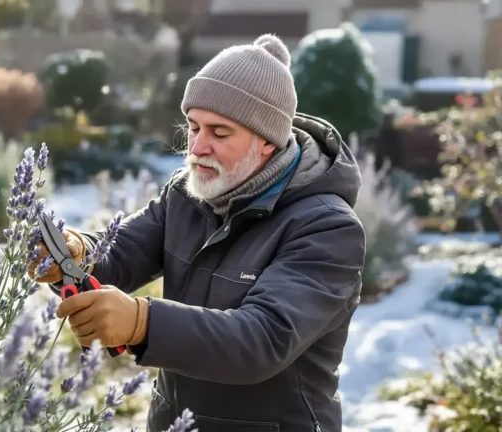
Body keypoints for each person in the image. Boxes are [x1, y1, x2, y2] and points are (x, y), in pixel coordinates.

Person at [28, 33, 365, 432]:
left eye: (220, 133)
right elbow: (120, 254)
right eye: (193, 127)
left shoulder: (328, 228)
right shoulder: (190, 192)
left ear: (268, 142)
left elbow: (262, 341)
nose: (198, 147)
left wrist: (141, 323)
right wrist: (77, 252)